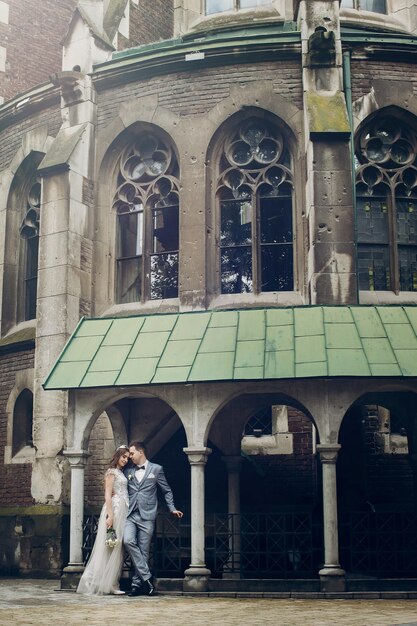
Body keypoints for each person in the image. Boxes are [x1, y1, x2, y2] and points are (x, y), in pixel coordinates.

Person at [124, 441, 183, 596]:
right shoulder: (128, 471)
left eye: (132, 453)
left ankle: (137, 585)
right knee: (128, 540)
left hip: (147, 515)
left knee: (144, 551)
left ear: (141, 452)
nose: (130, 457)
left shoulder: (156, 469)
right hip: (130, 514)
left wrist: (172, 508)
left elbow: (167, 491)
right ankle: (147, 577)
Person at [77, 445, 130, 596]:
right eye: (123, 457)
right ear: (117, 456)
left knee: (116, 546)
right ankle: (91, 577)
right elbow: (107, 495)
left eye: (127, 458)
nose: (125, 460)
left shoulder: (120, 472)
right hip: (114, 509)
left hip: (123, 510)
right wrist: (110, 516)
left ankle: (111, 582)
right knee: (108, 545)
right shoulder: (111, 472)